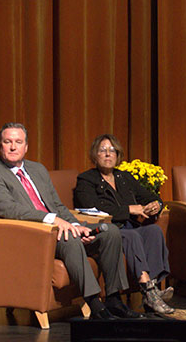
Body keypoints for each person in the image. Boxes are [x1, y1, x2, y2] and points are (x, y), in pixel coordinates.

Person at [0, 123, 140, 320]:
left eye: (18, 142)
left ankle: (114, 300)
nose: (13, 147)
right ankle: (95, 305)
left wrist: (76, 225)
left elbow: (57, 205)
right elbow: (9, 210)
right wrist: (53, 220)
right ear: (0, 145)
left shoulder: (37, 169)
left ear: (26, 146)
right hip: (32, 235)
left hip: (58, 227)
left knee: (111, 232)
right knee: (69, 239)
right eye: (7, 142)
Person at [73, 134, 174, 315]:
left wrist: (155, 205)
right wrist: (129, 209)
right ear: (95, 156)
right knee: (133, 235)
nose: (107, 154)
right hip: (108, 230)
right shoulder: (86, 180)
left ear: (118, 155)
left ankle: (154, 287)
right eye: (102, 150)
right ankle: (149, 292)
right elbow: (93, 207)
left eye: (112, 150)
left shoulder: (124, 177)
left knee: (153, 231)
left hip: (130, 227)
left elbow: (150, 196)